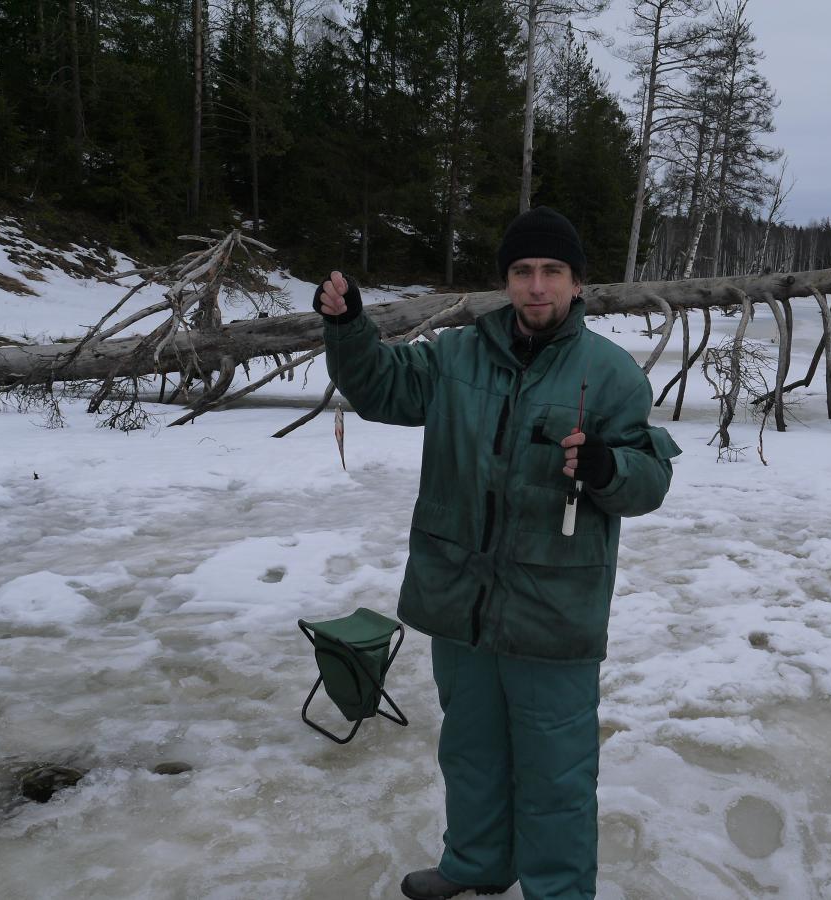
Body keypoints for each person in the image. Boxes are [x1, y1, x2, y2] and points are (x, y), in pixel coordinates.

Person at [313, 206, 680, 900]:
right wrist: (349, 327)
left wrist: (607, 467)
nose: (536, 286)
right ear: (506, 281)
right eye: (522, 271)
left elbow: (650, 478)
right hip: (462, 599)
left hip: (554, 607)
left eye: (552, 271)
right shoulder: (456, 356)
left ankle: (557, 891)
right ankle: (477, 861)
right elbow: (383, 386)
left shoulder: (611, 375)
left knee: (556, 772)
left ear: (577, 283)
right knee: (471, 749)